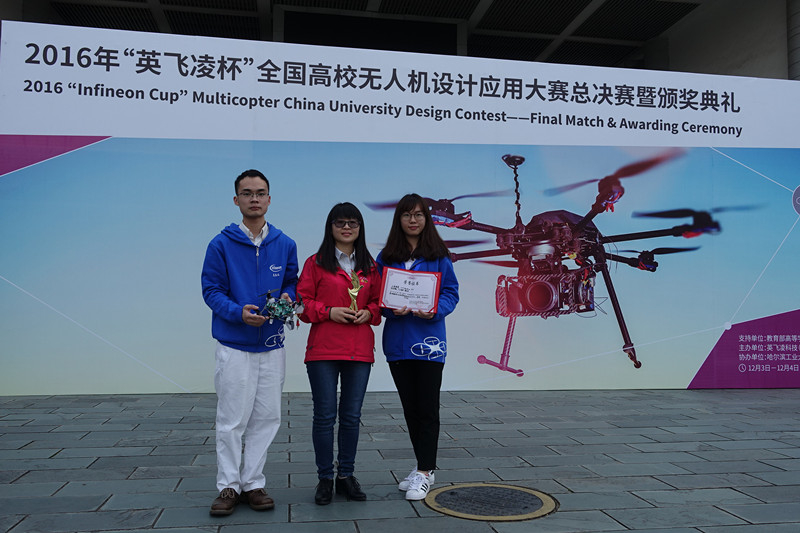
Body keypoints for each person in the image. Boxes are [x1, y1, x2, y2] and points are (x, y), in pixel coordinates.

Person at [201, 169, 299, 516]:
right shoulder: (220, 244)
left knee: (267, 417)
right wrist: (237, 313)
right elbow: (211, 290)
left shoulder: (285, 244)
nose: (254, 199)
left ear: (269, 199)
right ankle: (228, 485)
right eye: (247, 193)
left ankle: (253, 483)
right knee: (231, 420)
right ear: (236, 200)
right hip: (234, 344)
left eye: (260, 193)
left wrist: (287, 299)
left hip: (271, 345)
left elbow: (293, 283)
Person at [296, 202, 382, 505]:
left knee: (351, 416)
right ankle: (325, 478)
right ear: (330, 227)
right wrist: (328, 311)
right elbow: (301, 304)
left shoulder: (370, 266)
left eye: (353, 223)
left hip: (359, 349)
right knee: (324, 416)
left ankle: (346, 475)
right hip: (323, 349)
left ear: (360, 228)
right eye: (340, 222)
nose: (346, 228)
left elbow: (378, 303)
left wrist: (369, 312)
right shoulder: (315, 263)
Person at [376, 193, 459, 501]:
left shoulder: (439, 255)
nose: (413, 220)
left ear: (427, 219)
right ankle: (422, 466)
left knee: (427, 408)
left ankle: (425, 471)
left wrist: (434, 310)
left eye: (419, 214)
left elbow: (451, 292)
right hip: (397, 344)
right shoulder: (387, 257)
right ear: (398, 219)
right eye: (407, 215)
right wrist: (389, 309)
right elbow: (377, 296)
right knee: (410, 409)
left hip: (429, 344)